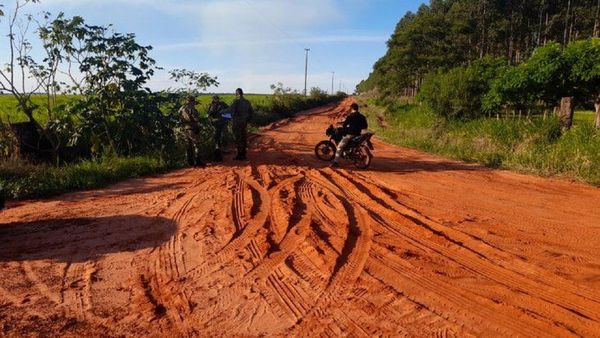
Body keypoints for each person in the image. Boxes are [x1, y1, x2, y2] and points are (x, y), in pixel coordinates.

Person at [331, 103, 368, 168]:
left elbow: (344, 125)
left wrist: (347, 127)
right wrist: (358, 126)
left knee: (339, 147)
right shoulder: (362, 116)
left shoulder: (350, 116)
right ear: (357, 108)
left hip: (350, 135)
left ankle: (335, 162)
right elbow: (365, 127)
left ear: (352, 109)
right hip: (358, 134)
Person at [178, 96, 206, 167]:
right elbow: (196, 119)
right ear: (192, 101)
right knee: (196, 144)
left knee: (188, 145)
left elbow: (179, 117)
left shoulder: (181, 108)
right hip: (192, 128)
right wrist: (199, 126)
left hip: (184, 128)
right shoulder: (192, 109)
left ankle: (189, 162)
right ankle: (198, 161)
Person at [229, 88, 254, 161]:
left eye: (235, 93)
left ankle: (240, 155)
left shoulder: (236, 102)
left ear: (237, 93)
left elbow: (231, 111)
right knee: (243, 137)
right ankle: (243, 154)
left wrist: (221, 112)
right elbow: (251, 112)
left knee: (238, 138)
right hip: (244, 123)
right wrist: (248, 121)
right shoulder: (247, 102)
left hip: (237, 123)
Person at [207, 95, 229, 162]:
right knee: (216, 136)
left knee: (224, 135)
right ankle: (218, 149)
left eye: (217, 98)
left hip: (223, 122)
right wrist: (211, 121)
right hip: (216, 123)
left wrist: (227, 116)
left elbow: (229, 110)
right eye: (215, 99)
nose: (216, 100)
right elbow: (209, 115)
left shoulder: (223, 104)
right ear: (213, 99)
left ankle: (225, 148)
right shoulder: (211, 106)